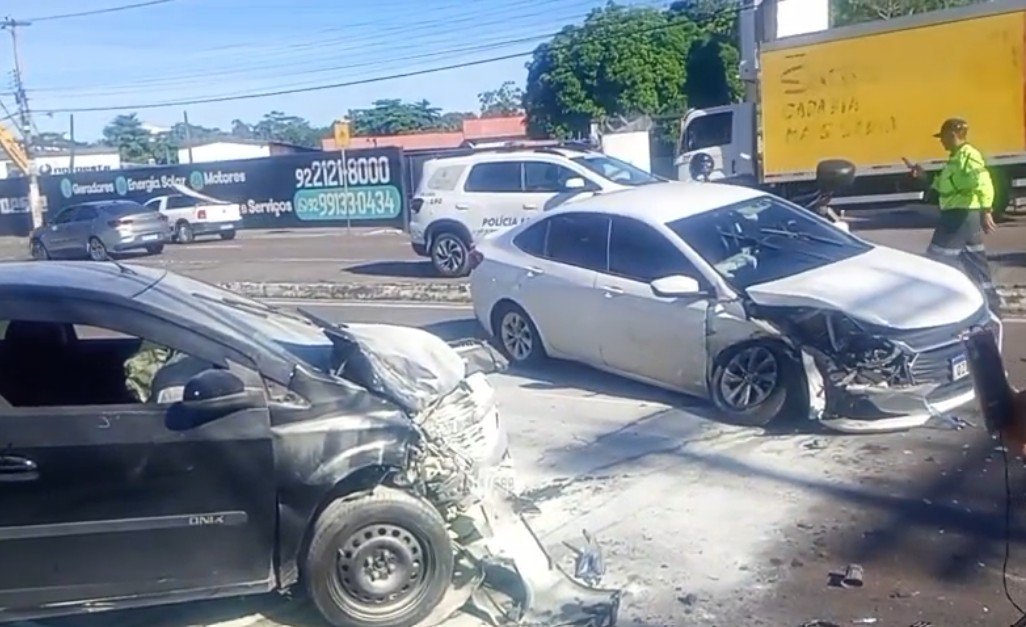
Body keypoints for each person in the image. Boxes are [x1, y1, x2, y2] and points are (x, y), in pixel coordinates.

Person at [907, 117, 1001, 314]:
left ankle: (932, 309)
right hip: (961, 217)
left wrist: (987, 211)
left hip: (960, 218)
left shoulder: (969, 156)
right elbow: (943, 185)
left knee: (936, 261)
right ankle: (991, 305)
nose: (941, 141)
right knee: (975, 262)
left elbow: (983, 182)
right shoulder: (955, 158)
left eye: (943, 137)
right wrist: (923, 177)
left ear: (952, 135)